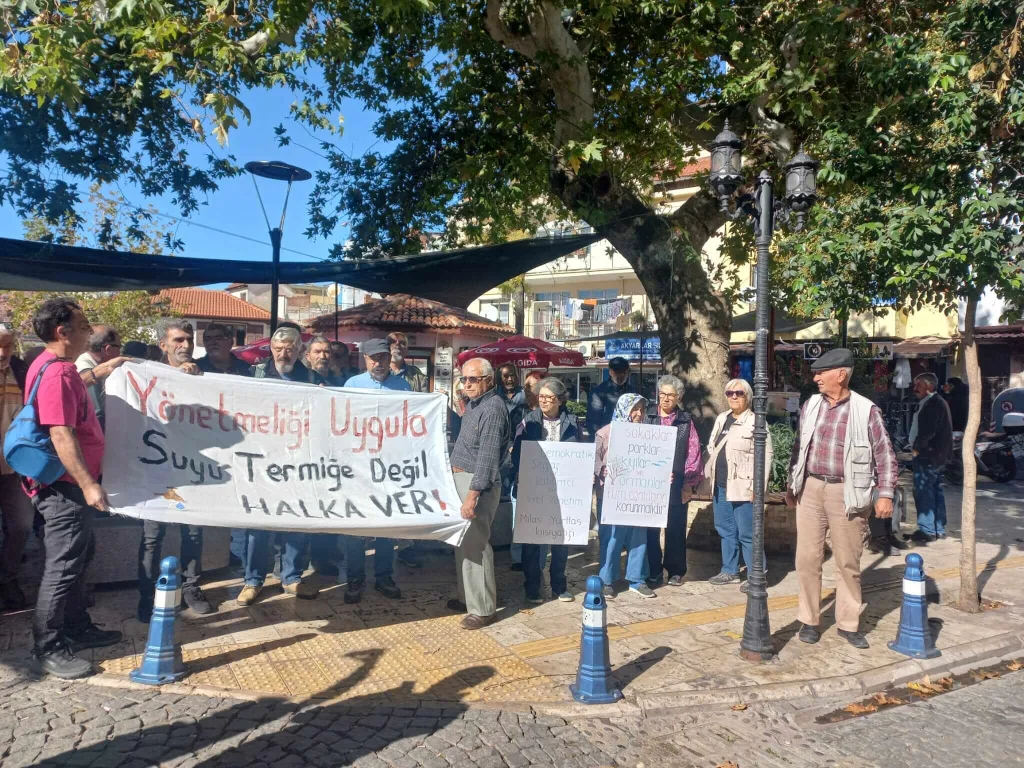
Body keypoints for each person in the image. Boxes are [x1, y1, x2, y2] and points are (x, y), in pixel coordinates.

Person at [23, 298, 128, 678]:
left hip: (66, 485)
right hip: (65, 486)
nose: (89, 333)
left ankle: (77, 627)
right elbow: (60, 433)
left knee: (80, 557)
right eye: (84, 327)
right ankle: (48, 647)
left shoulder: (53, 365)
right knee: (63, 565)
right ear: (62, 332)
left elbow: (69, 392)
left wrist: (101, 371)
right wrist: (88, 485)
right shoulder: (57, 372)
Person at [787, 348, 899, 651]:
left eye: (821, 372)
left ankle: (848, 623)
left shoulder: (866, 410)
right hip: (811, 488)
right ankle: (809, 620)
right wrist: (792, 484)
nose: (816, 378)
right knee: (806, 559)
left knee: (847, 561)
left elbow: (885, 455)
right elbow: (800, 447)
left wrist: (885, 494)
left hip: (847, 492)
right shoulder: (811, 405)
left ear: (841, 374)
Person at [238, 327, 320, 605]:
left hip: (297, 462)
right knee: (257, 523)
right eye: (278, 348)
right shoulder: (254, 375)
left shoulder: (312, 379)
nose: (284, 353)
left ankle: (292, 577)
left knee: (295, 521)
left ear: (299, 350)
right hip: (261, 461)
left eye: (290, 348)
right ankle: (253, 580)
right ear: (271, 349)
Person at [137, 319, 210, 622]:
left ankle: (191, 587)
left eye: (189, 339)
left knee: (193, 532)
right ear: (163, 345)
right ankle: (147, 595)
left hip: (191, 469)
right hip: (157, 471)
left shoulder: (203, 377)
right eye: (178, 340)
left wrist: (195, 380)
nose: (186, 345)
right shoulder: (148, 376)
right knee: (152, 537)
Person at [340, 339, 412, 604]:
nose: (377, 363)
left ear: (389, 358)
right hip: (358, 468)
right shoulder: (351, 385)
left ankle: (384, 576)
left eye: (382, 357)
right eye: (373, 358)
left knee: (386, 526)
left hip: (389, 469)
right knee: (356, 526)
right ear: (364, 359)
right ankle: (354, 579)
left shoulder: (403, 386)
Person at [447, 358, 511, 630]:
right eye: (464, 379)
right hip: (463, 479)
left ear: (489, 380)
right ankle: (468, 598)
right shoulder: (474, 404)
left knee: (476, 545)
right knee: (463, 543)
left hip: (477, 484)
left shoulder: (493, 409)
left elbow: (487, 458)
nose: (467, 384)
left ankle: (483, 608)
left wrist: (472, 497)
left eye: (473, 379)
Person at [511, 377, 582, 603]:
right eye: (541, 396)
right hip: (535, 490)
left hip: (563, 492)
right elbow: (517, 453)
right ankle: (532, 586)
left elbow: (579, 454)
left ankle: (559, 585)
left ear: (560, 400)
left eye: (548, 398)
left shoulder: (572, 423)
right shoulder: (528, 421)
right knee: (532, 540)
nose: (543, 401)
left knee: (561, 540)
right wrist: (519, 475)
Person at [705, 378, 771, 593]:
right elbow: (712, 445)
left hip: (744, 487)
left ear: (748, 397)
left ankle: (756, 574)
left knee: (748, 534)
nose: (734, 397)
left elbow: (766, 456)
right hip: (721, 485)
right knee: (725, 530)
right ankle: (730, 570)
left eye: (739, 393)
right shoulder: (722, 418)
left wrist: (758, 488)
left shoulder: (756, 422)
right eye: (730, 393)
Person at [645, 375, 704, 588]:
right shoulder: (647, 416)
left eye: (671, 395)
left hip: (677, 482)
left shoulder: (685, 420)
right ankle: (652, 570)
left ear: (678, 397)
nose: (666, 398)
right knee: (650, 529)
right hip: (650, 483)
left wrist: (688, 482)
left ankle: (676, 571)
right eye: (662, 394)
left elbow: (693, 452)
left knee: (676, 528)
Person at [595, 394, 653, 599]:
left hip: (638, 495)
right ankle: (607, 580)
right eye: (634, 409)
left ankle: (637, 579)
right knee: (611, 537)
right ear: (623, 409)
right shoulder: (605, 433)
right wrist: (602, 470)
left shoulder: (649, 435)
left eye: (642, 409)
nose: (639, 414)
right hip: (610, 495)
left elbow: (655, 461)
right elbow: (595, 460)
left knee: (638, 536)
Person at [0, 323, 34, 612]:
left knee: (22, 525)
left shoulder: (21, 370)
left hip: (14, 468)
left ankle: (7, 578)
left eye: (8, 345)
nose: (3, 352)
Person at [908, 372, 953, 544]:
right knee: (935, 490)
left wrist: (917, 448)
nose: (915, 388)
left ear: (930, 386)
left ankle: (927, 530)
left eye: (918, 385)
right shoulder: (933, 402)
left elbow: (928, 431)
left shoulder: (934, 403)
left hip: (929, 454)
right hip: (936, 455)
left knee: (924, 491)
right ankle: (938, 529)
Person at [509, 368, 545, 571]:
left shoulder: (549, 415)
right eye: (527, 386)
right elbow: (508, 436)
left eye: (532, 386)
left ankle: (537, 560)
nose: (528, 390)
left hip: (541, 476)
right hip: (520, 472)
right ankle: (518, 558)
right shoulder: (518, 412)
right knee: (518, 516)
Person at [75, 325, 121, 430]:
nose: (120, 352)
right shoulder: (86, 370)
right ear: (108, 349)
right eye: (119, 347)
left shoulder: (92, 364)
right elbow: (97, 413)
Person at [587, 358, 634, 439]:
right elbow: (593, 422)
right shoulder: (599, 392)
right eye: (618, 372)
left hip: (627, 437)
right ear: (610, 372)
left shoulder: (632, 392)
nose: (621, 375)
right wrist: (601, 440)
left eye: (624, 372)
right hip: (606, 438)